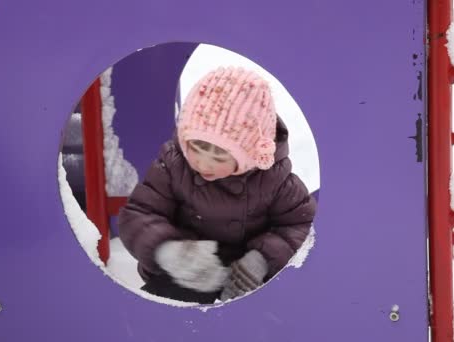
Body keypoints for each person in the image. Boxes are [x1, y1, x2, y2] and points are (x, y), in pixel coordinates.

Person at [118, 66, 317, 304]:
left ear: (249, 153)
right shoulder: (173, 165)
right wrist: (167, 249)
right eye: (196, 147)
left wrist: (263, 259)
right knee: (159, 315)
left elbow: (301, 226)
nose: (202, 162)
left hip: (248, 281)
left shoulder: (275, 179)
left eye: (219, 156)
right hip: (186, 274)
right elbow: (140, 213)